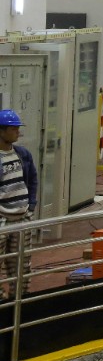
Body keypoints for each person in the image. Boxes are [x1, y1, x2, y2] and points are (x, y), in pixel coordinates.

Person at [0, 109, 38, 302]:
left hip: (22, 218)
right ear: (1, 131)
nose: (18, 132)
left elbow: (32, 180)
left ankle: (19, 302)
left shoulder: (23, 154)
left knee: (21, 266)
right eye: (13, 129)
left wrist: (31, 206)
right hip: (2, 220)